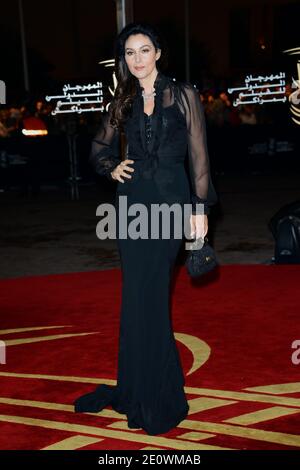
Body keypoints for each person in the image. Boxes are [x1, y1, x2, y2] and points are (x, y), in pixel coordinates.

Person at [74, 22, 218, 435]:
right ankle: (138, 389)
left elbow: (199, 156)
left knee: (154, 297)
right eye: (130, 53)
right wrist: (110, 166)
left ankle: (159, 395)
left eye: (144, 50)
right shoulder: (123, 97)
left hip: (172, 204)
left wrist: (200, 209)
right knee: (136, 299)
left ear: (158, 52)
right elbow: (98, 147)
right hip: (132, 205)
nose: (137, 59)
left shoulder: (184, 94)